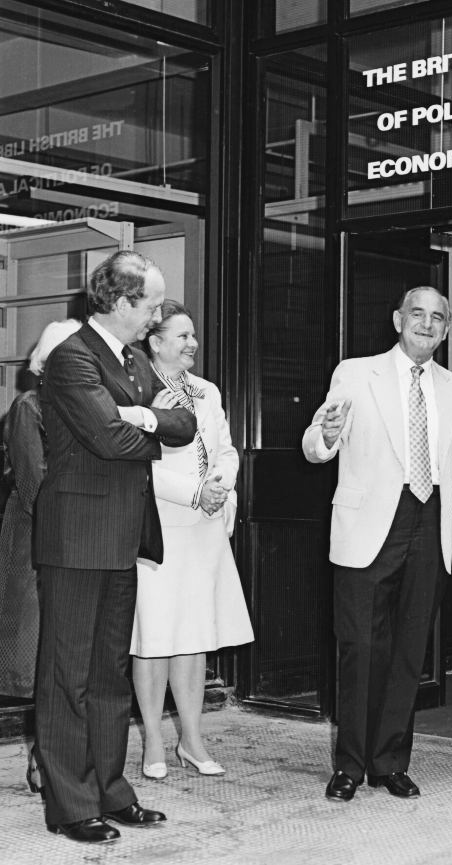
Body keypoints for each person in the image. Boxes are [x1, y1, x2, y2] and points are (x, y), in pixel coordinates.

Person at [302, 286, 452, 802]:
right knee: (359, 649)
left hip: (429, 525)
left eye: (438, 317)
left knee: (407, 652)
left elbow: (451, 462)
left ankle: (389, 761)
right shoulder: (355, 372)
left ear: (445, 329)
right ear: (398, 319)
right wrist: (325, 434)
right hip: (369, 526)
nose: (426, 323)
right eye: (417, 314)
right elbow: (316, 446)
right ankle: (350, 765)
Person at [33, 251, 197, 844]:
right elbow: (105, 439)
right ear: (123, 303)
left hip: (122, 536)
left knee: (107, 675)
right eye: (152, 304)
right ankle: (70, 805)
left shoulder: (130, 359)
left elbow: (186, 424)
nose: (158, 314)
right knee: (66, 677)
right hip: (76, 539)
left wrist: (142, 417)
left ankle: (109, 789)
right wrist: (146, 420)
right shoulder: (71, 356)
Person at [129, 300, 253, 780]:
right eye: (181, 336)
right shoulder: (137, 393)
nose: (193, 344)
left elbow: (225, 448)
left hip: (204, 527)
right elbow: (139, 463)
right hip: (159, 528)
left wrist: (220, 483)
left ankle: (193, 742)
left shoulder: (206, 391)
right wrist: (193, 491)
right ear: (154, 342)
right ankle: (154, 744)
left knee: (194, 638)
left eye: (193, 335)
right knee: (155, 637)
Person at [0, 319, 81, 794]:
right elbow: (33, 486)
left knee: (65, 654)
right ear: (48, 364)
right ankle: (42, 758)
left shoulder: (87, 406)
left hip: (71, 541)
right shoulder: (30, 406)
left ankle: (59, 757)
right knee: (39, 655)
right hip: (36, 543)